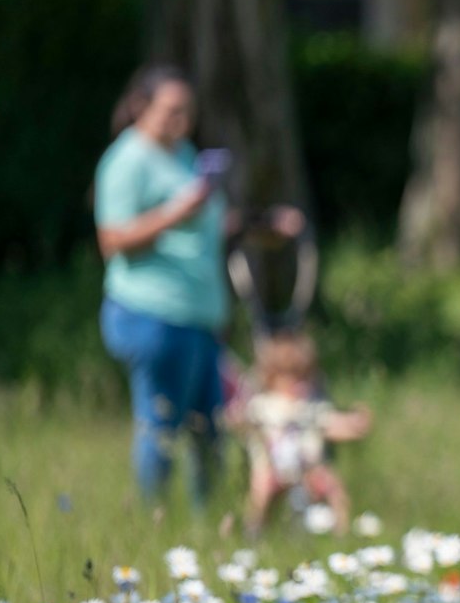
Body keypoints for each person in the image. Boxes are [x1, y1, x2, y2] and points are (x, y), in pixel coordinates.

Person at [93, 65, 301, 513]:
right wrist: (176, 213)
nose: (181, 120)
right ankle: (152, 518)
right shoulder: (126, 161)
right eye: (171, 110)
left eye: (187, 111)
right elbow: (112, 239)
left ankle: (205, 522)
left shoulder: (184, 154)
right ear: (139, 107)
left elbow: (211, 225)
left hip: (198, 318)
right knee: (162, 424)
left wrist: (261, 224)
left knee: (211, 428)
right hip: (152, 314)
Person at [229, 330, 372, 535]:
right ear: (272, 377)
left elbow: (331, 424)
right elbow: (245, 421)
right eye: (292, 376)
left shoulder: (310, 407)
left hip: (308, 469)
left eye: (305, 376)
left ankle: (342, 532)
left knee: (335, 489)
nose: (300, 383)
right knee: (260, 491)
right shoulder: (264, 405)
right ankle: (253, 531)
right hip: (273, 467)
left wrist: (354, 424)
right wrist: (237, 420)